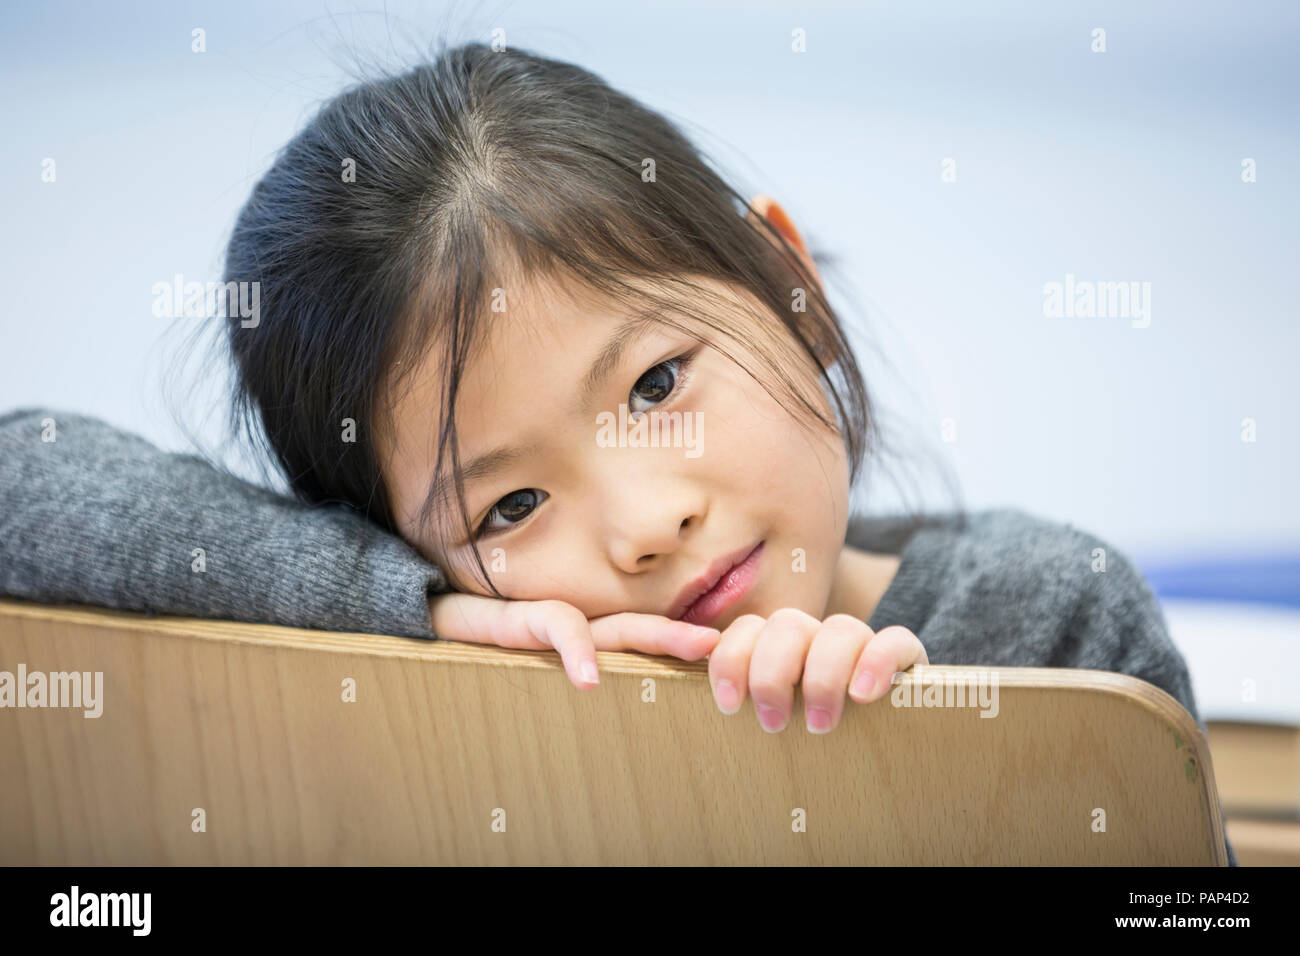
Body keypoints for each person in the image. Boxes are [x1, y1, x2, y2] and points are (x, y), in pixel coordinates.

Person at [0, 41, 1233, 864]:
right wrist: (403, 607)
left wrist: (901, 771)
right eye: (509, 504)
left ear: (788, 281)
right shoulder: (448, 701)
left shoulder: (1044, 619)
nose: (643, 524)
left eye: (655, 382)